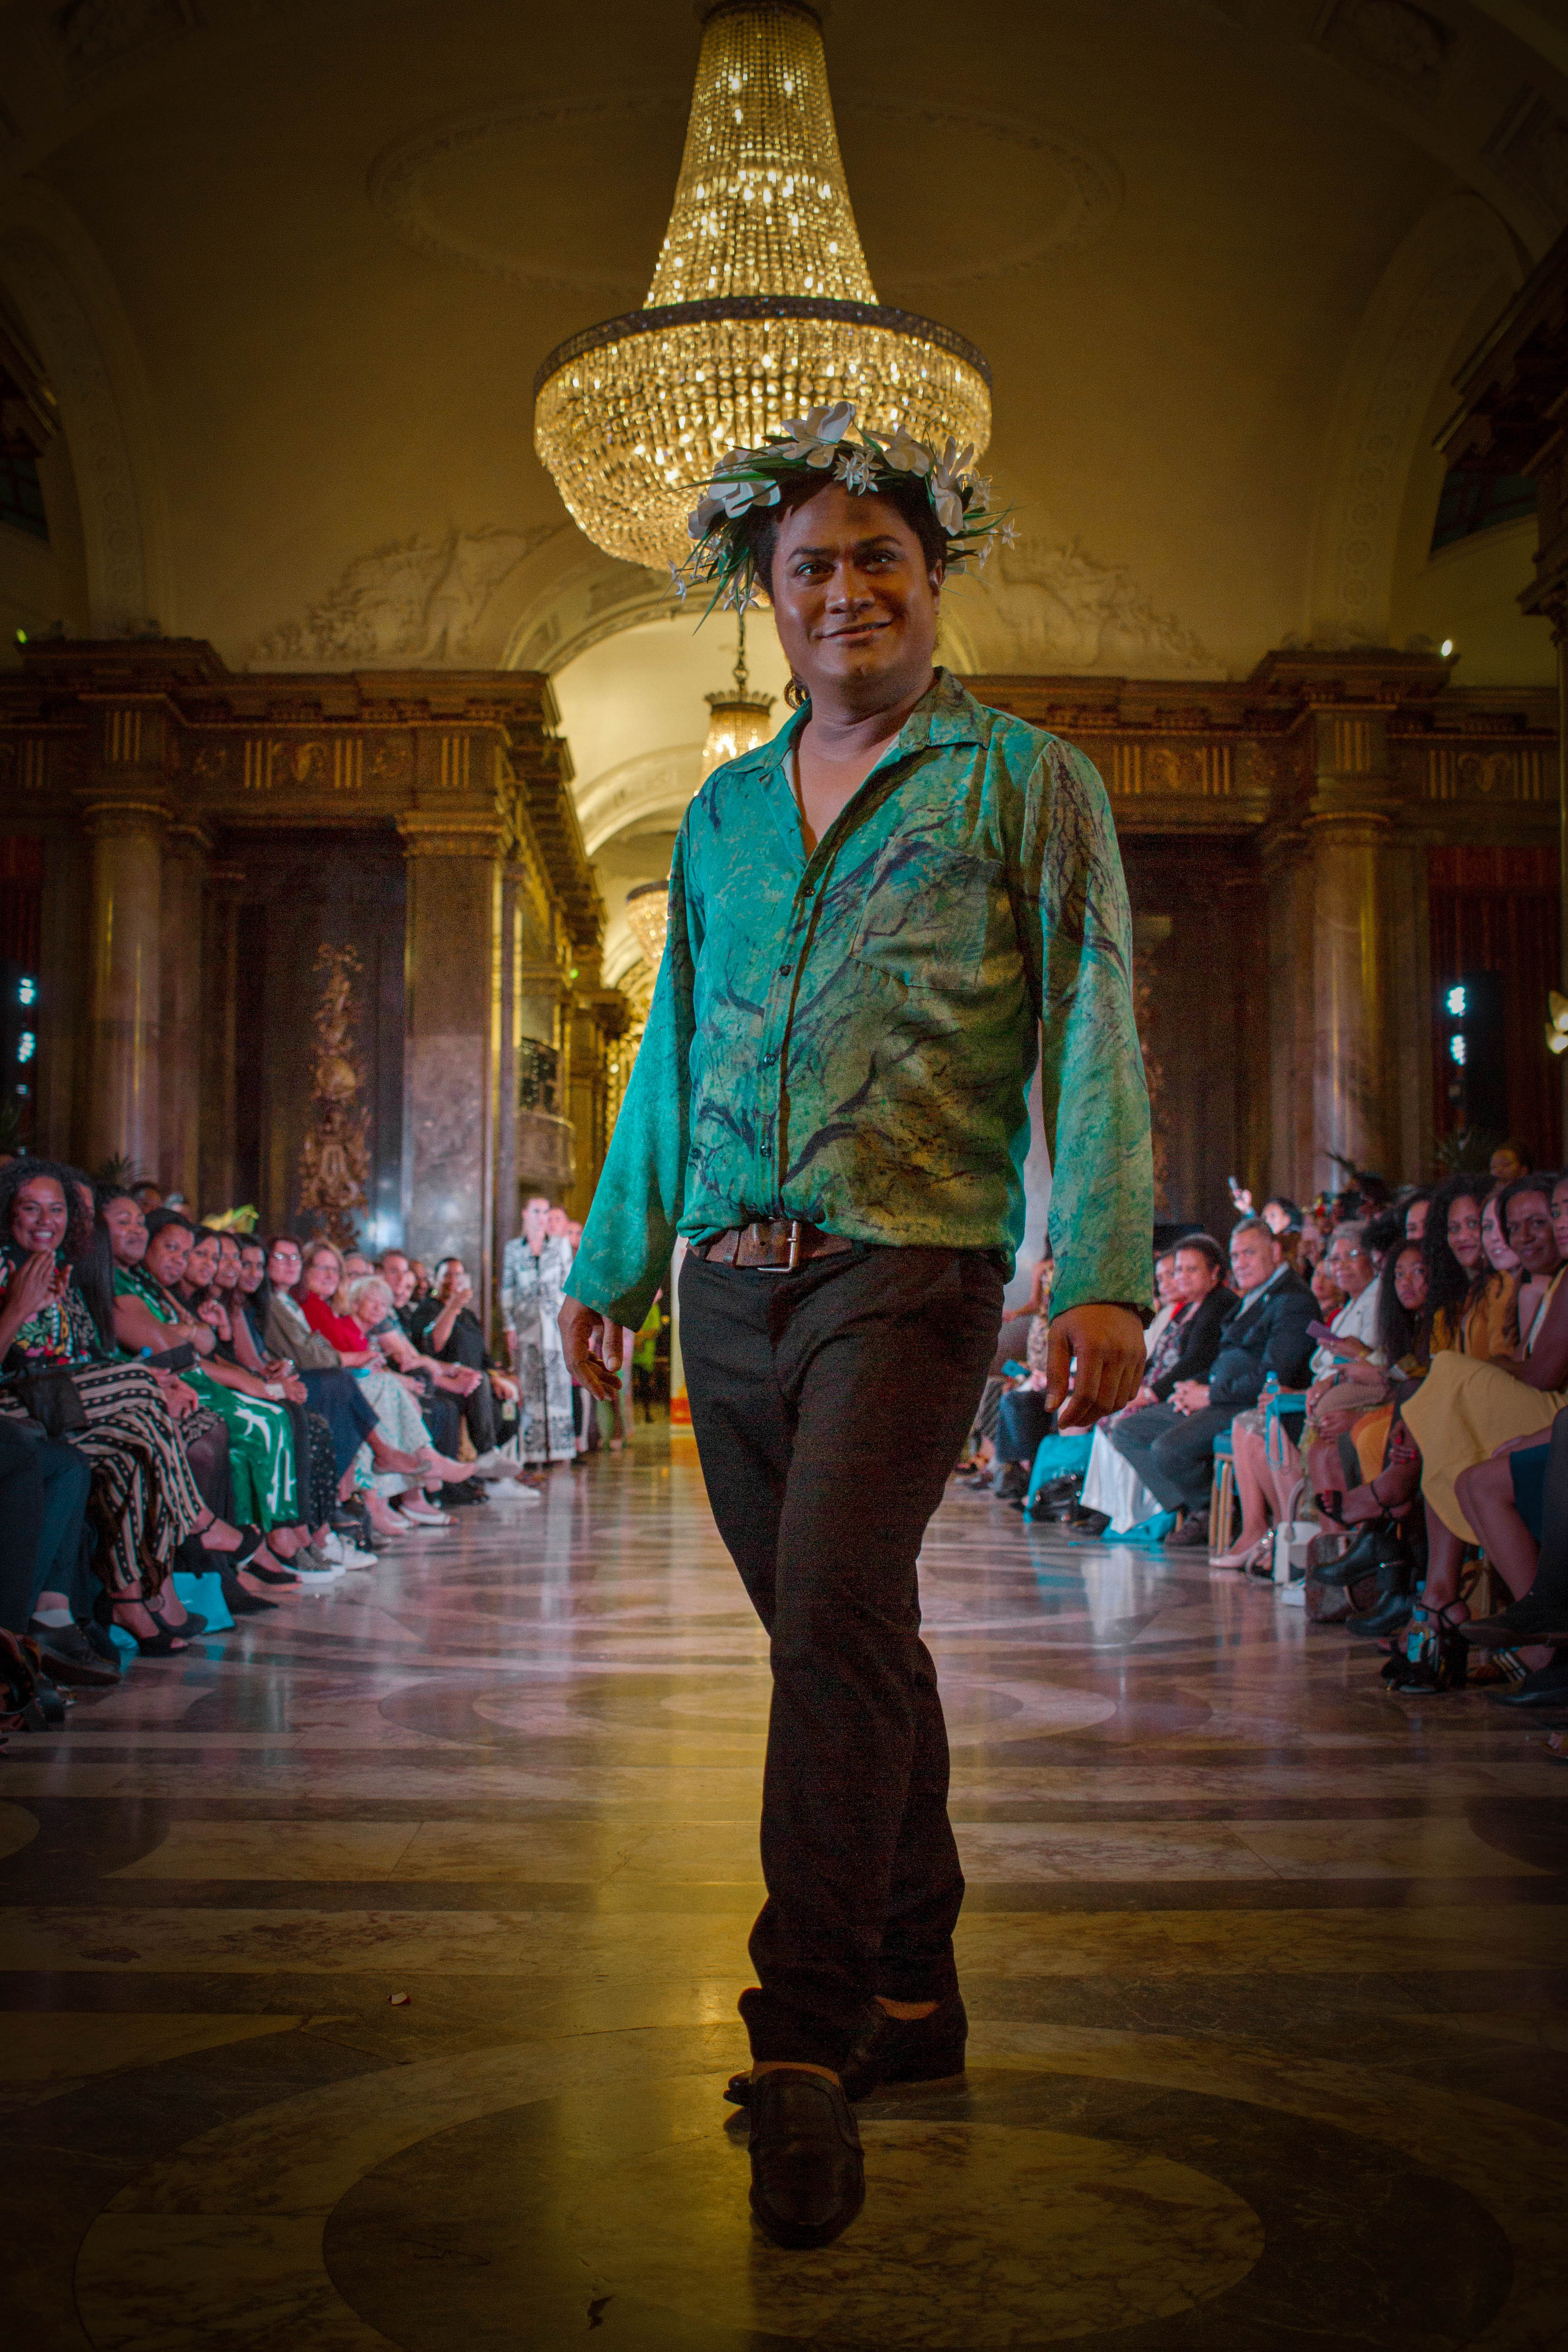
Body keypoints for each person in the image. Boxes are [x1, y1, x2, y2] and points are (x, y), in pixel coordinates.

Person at [556, 410, 1151, 2250]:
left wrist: (1104, 1263)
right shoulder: (724, 817)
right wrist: (610, 1265)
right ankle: (915, 1980)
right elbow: (671, 1048)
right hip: (727, 1288)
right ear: (768, 591)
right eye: (809, 564)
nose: (845, 592)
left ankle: (804, 2040)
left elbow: (1092, 1019)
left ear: (934, 573)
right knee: (851, 1635)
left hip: (910, 1269)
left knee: (828, 1619)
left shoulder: (1025, 780)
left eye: (878, 557)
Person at [0, 1158, 208, 1650]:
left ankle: (128, 1598)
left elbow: (80, 1355)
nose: (45, 1220)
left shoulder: (60, 1269)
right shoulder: (6, 1267)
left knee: (135, 1444)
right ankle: (195, 1522)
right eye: (31, 1208)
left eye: (57, 1210)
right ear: (9, 1211)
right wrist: (18, 1308)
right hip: (17, 1405)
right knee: (139, 1387)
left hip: (68, 1403)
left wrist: (140, 1378)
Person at [1108, 1217, 1312, 1548]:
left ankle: (1213, 1512)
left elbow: (1276, 1374)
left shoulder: (1291, 1299)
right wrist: (1191, 1388)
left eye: (1250, 1253)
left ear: (1276, 1252)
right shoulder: (1257, 1294)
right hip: (1222, 1396)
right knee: (1129, 1430)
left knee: (1168, 1449)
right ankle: (1198, 1508)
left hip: (1246, 1405)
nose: (1241, 1263)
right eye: (1236, 1255)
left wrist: (1210, 1393)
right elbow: (1223, 1360)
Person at [1080, 1234, 1234, 1537]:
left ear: (1215, 1271)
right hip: (1175, 1390)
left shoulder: (1220, 1304)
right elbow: (1155, 1359)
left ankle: (1175, 1508)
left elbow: (1197, 1361)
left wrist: (1151, 1394)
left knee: (1125, 1425)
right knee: (1108, 1416)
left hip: (1196, 1395)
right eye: (1178, 1270)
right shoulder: (1191, 1307)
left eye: (1191, 1269)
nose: (1181, 1277)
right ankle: (1112, 1507)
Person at [502, 1195, 575, 1465]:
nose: (542, 1217)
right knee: (530, 1382)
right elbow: (507, 1288)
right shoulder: (514, 1249)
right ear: (525, 1214)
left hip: (555, 1325)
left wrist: (571, 1324)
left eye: (546, 1212)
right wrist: (509, 1326)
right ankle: (532, 1451)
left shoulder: (560, 1245)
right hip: (525, 1326)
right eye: (537, 1211)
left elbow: (569, 1285)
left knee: (557, 1383)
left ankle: (559, 1449)